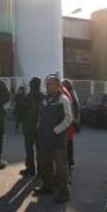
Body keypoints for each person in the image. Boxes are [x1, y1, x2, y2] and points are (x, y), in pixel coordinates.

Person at [34, 74, 73, 203]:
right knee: (45, 164)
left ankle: (63, 192)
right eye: (47, 83)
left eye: (49, 83)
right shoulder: (45, 99)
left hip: (57, 140)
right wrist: (39, 128)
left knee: (61, 167)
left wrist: (56, 130)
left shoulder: (63, 99)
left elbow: (68, 119)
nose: (47, 86)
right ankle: (47, 186)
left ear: (57, 85)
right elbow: (41, 116)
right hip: (44, 138)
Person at [20, 77, 44, 177]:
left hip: (28, 126)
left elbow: (20, 112)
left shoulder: (27, 97)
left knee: (29, 148)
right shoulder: (44, 97)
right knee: (40, 149)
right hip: (40, 127)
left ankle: (30, 169)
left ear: (31, 85)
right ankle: (41, 170)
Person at [61, 78, 80, 169]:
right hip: (71, 121)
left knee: (68, 142)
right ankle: (70, 161)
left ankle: (69, 162)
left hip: (69, 121)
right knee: (69, 142)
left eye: (63, 84)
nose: (61, 85)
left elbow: (75, 107)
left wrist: (75, 120)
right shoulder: (72, 92)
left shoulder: (69, 94)